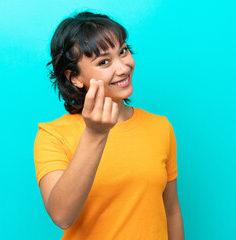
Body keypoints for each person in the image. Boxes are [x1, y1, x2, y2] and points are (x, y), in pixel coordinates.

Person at [34, 11, 184, 240]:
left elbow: (171, 210)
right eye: (104, 62)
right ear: (74, 77)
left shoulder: (160, 126)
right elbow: (62, 215)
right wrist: (95, 134)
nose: (123, 68)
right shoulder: (53, 135)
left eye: (123, 51)